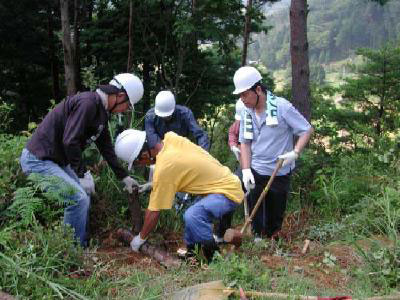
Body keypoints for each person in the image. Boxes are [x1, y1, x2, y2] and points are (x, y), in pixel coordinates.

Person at [20, 73, 144, 247]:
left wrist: (124, 177)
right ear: (120, 96)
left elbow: (106, 148)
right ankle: (71, 251)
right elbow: (70, 140)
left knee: (82, 195)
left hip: (56, 161)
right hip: (38, 160)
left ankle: (81, 244)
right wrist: (82, 174)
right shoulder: (88, 103)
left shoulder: (101, 112)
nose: (124, 110)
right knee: (77, 199)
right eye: (127, 106)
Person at [114, 130, 244, 262]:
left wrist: (140, 239)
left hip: (227, 192)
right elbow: (180, 170)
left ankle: (214, 258)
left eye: (137, 162)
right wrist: (153, 184)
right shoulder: (170, 139)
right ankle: (193, 254)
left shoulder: (165, 167)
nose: (140, 165)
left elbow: (153, 212)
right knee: (191, 218)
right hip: (225, 182)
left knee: (193, 215)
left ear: (144, 153)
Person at [233, 66, 313, 241]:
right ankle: (255, 244)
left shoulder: (282, 107)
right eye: (240, 96)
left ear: (258, 89)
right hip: (256, 169)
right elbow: (245, 143)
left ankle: (273, 247)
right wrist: (246, 170)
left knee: (273, 220)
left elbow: (306, 129)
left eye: (245, 94)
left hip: (279, 171)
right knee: (256, 216)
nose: (242, 99)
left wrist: (295, 152)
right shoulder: (247, 112)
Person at [139, 90, 210, 193]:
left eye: (168, 115)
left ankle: (179, 200)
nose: (165, 118)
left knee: (182, 183)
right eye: (162, 116)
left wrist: (202, 155)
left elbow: (200, 134)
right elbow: (152, 139)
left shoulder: (185, 113)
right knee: (155, 179)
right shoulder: (150, 116)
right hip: (159, 153)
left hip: (182, 152)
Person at [213, 99, 246, 243]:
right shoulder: (238, 124)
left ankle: (261, 234)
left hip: (262, 166)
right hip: (244, 166)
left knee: (259, 197)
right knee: (230, 192)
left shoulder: (263, 124)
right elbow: (232, 132)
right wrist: (233, 146)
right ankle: (221, 233)